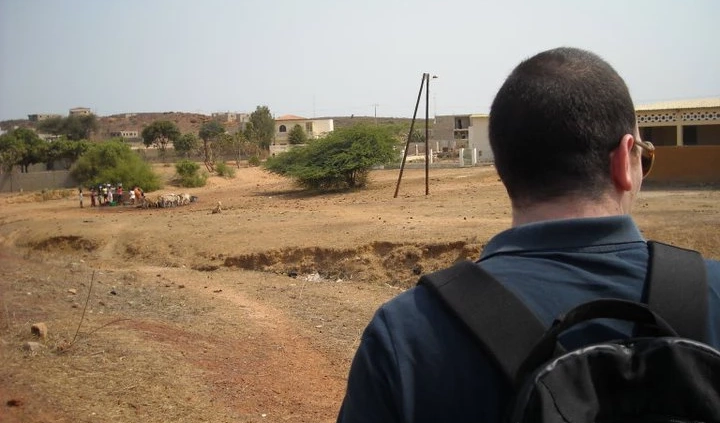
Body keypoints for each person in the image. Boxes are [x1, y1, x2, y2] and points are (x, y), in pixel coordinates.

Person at [336, 47, 720, 423]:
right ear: (624, 161)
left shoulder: (407, 333)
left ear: (503, 170)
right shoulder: (711, 292)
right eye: (645, 157)